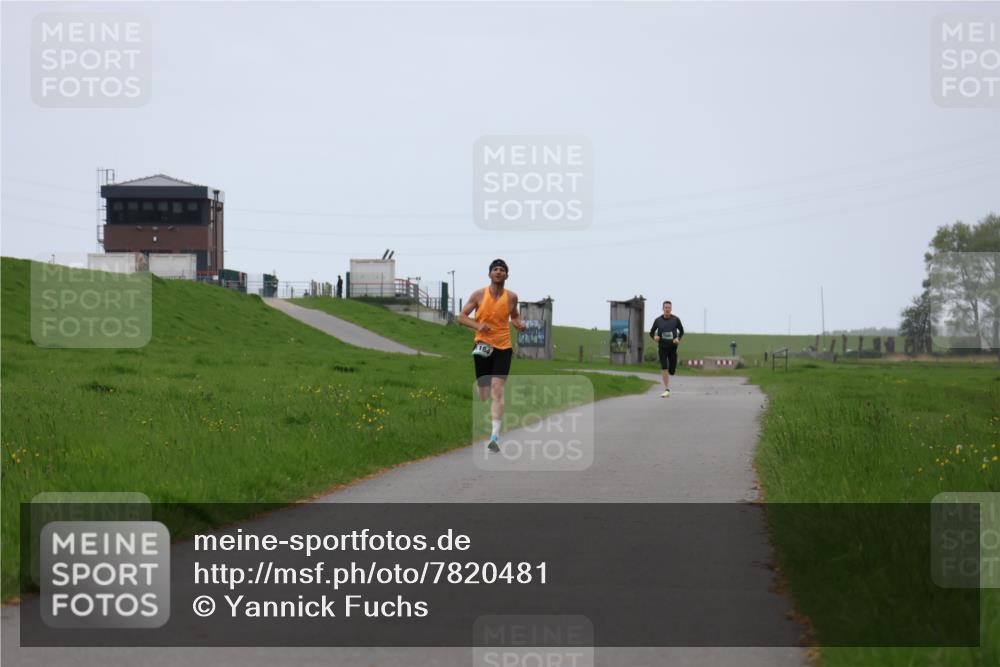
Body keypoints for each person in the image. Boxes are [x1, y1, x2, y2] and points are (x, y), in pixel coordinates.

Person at [457, 259, 527, 452]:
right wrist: (478, 325)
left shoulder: (512, 297)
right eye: (495, 269)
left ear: (507, 275)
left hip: (504, 347)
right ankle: (485, 396)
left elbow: (514, 315)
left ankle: (494, 436)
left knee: (497, 390)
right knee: (484, 393)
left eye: (502, 270)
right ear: (489, 274)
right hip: (482, 346)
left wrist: (518, 324)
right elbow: (461, 317)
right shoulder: (479, 295)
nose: (498, 272)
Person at [649, 300, 684, 398]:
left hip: (673, 348)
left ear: (671, 309)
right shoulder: (658, 320)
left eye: (669, 308)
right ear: (663, 309)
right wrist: (654, 337)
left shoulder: (676, 320)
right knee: (664, 366)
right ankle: (666, 389)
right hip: (662, 347)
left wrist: (678, 338)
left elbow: (681, 331)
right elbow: (651, 332)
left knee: (672, 370)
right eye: (666, 308)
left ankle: (672, 369)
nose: (667, 309)